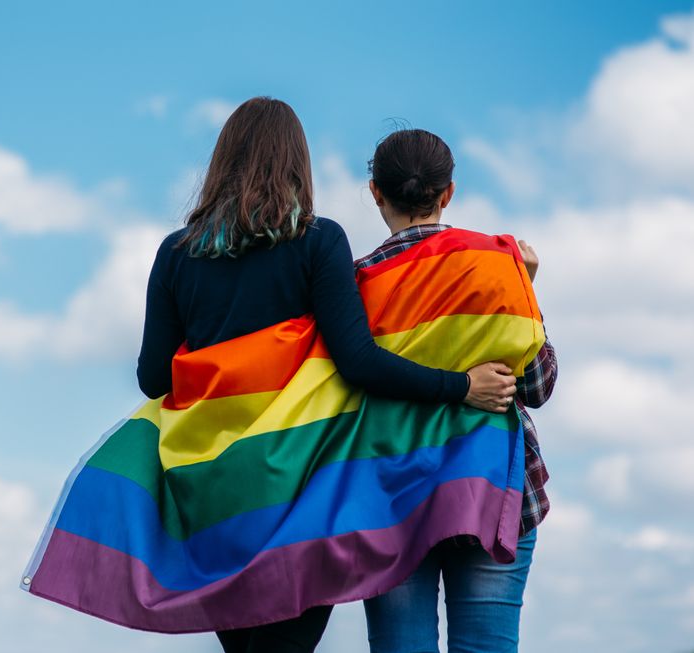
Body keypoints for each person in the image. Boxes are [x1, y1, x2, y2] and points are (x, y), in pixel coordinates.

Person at [136, 99, 518, 653]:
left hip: (211, 494)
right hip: (297, 486)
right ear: (298, 163)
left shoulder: (176, 253)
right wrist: (460, 386)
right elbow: (359, 363)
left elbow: (153, 378)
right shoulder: (318, 242)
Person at [356, 128, 558, 653]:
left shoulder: (356, 284)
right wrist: (522, 289)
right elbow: (536, 385)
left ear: (376, 192)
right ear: (448, 193)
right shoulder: (496, 263)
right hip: (492, 491)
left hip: (392, 496)